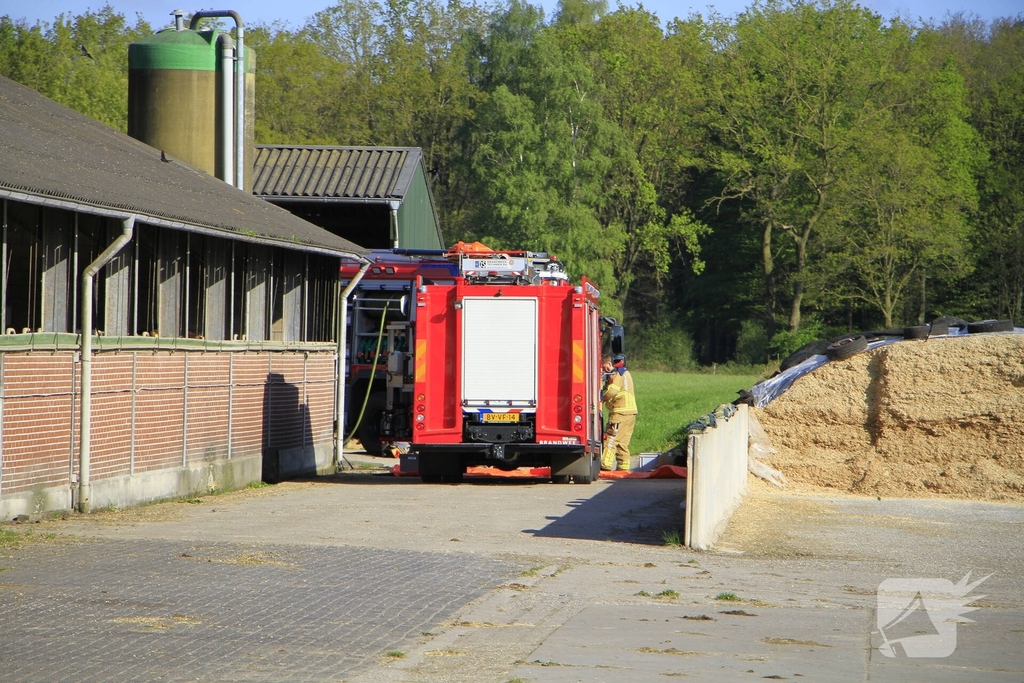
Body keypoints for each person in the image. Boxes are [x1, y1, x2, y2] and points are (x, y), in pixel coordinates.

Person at [601, 353, 637, 471]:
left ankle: (605, 464)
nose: (603, 369)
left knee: (611, 438)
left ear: (610, 363)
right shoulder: (625, 373)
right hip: (630, 412)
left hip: (619, 412)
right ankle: (623, 466)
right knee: (623, 441)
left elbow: (612, 391)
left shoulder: (617, 374)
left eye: (604, 366)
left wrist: (600, 397)